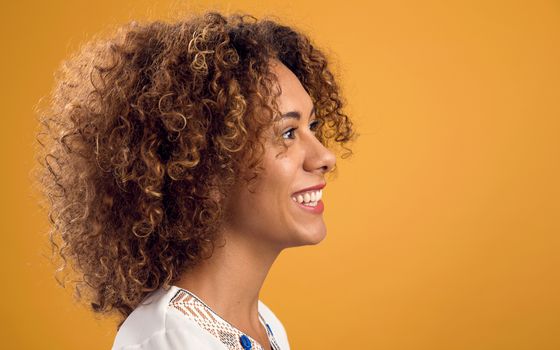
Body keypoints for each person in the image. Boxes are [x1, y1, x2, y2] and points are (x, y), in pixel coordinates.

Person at [35, 10, 355, 350]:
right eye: (288, 133)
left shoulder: (266, 326)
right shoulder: (165, 339)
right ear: (207, 165)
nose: (324, 157)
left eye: (313, 127)